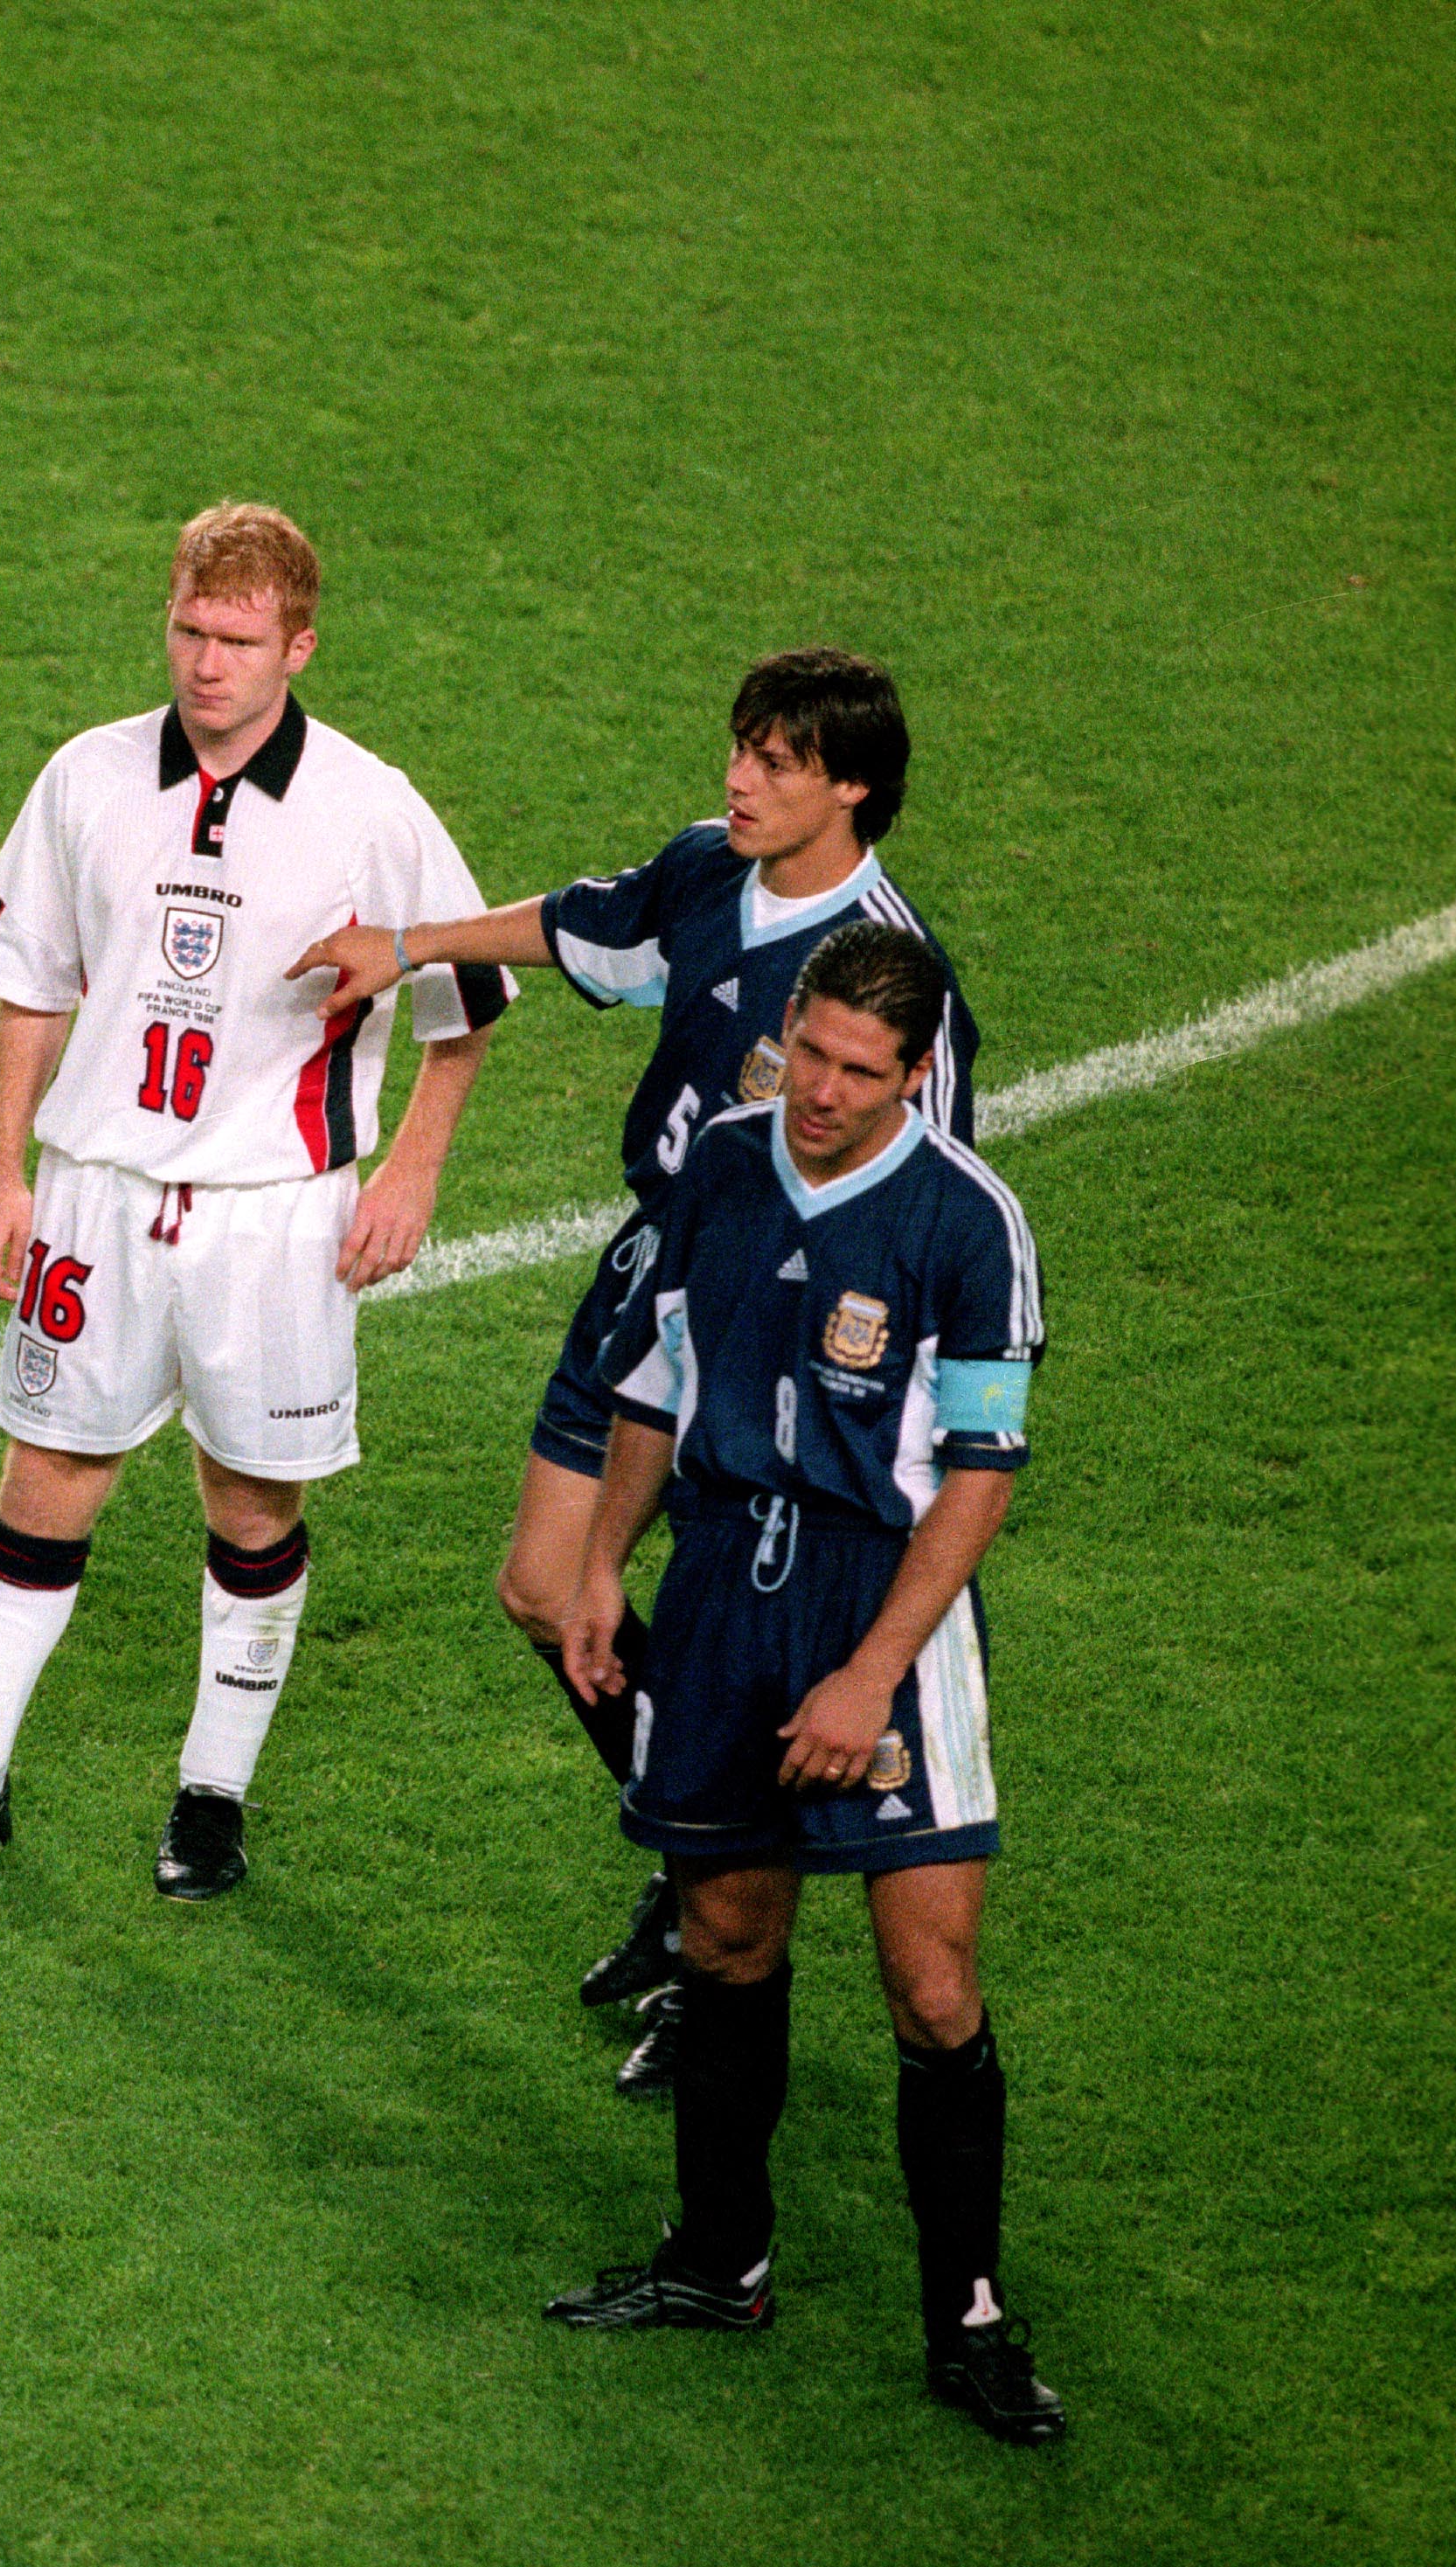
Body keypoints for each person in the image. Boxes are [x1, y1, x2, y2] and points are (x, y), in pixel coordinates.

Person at [291, 647, 979, 2092]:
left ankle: (724, 1924)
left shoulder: (888, 980)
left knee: (744, 1627)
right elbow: (584, 926)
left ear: (849, 786)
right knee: (546, 1590)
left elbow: (931, 1196)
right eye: (738, 747)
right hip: (653, 1271)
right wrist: (406, 945)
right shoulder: (701, 870)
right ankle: (695, 1883)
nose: (738, 776)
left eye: (777, 761)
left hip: (779, 1339)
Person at [0, 503, 510, 1901]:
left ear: (299, 645)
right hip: (96, 1194)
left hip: (275, 1212)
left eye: (238, 640)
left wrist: (410, 1169)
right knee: (42, 1479)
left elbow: (468, 1002)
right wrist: (0, 1166)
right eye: (189, 631)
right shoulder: (87, 777)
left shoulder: (368, 807)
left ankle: (212, 1795)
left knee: (252, 1502)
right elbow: (30, 979)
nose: (207, 664)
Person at [538, 920, 1062, 2447]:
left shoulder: (967, 1222)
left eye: (855, 1068)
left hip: (877, 1603)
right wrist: (595, 1567)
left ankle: (965, 2319)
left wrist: (869, 1673)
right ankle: (717, 2258)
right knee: (723, 1930)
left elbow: (978, 1471)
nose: (818, 1089)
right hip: (718, 1586)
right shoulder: (726, 1159)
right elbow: (658, 1379)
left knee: (930, 1977)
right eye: (805, 1051)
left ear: (914, 1075)